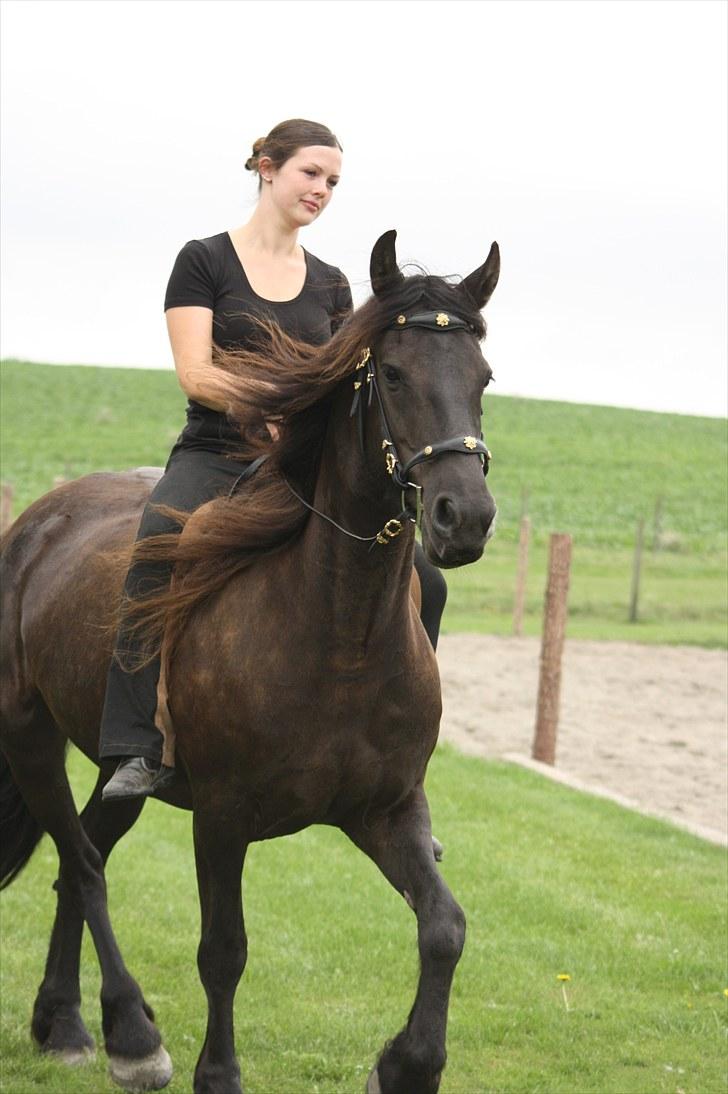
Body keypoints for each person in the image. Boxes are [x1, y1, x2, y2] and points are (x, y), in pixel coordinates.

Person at [100, 118, 446, 803]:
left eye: (334, 182)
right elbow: (197, 375)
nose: (322, 190)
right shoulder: (203, 260)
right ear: (266, 165)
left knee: (427, 582)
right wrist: (282, 396)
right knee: (157, 544)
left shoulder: (331, 284)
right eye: (311, 173)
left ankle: (401, 761)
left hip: (296, 466)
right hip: (217, 451)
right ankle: (132, 744)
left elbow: (349, 385)